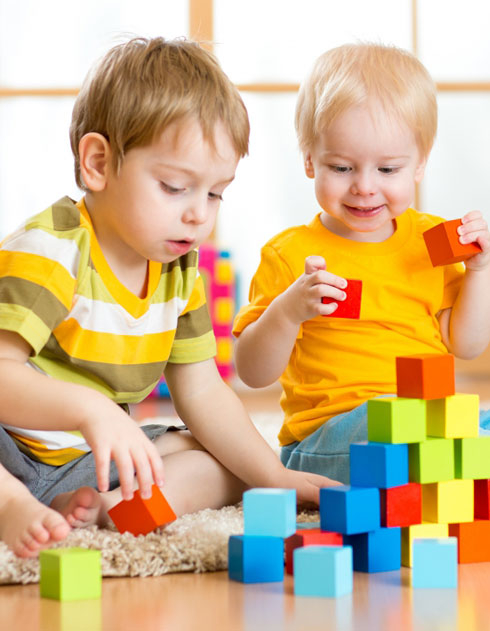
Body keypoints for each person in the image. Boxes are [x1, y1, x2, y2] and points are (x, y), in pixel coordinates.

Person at [0, 36, 335, 549]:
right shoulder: (52, 250)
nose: (198, 212)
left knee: (225, 462)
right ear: (97, 163)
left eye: (215, 192)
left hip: (94, 462)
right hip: (12, 448)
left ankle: (108, 510)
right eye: (176, 187)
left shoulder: (179, 272)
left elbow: (201, 391)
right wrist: (93, 412)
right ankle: (12, 506)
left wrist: (275, 475)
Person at [233, 43, 490, 483]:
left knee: (471, 424)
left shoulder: (429, 244)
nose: (365, 187)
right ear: (311, 161)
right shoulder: (290, 254)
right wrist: (289, 311)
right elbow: (252, 373)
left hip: (422, 422)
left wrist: (480, 272)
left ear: (419, 165)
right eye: (342, 167)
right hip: (326, 438)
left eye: (388, 170)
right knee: (400, 429)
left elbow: (465, 345)